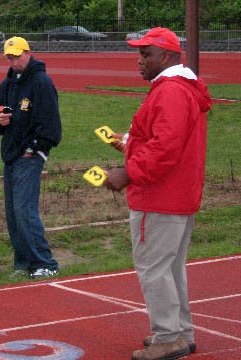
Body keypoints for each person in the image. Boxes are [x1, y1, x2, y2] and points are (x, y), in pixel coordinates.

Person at [103, 27, 212, 360]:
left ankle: (168, 336)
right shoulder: (180, 88)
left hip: (159, 197)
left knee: (153, 268)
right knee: (170, 268)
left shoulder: (170, 91)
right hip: (176, 194)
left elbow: (165, 148)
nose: (139, 61)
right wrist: (129, 143)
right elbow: (162, 141)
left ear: (166, 57)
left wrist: (128, 173)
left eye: (145, 54)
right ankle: (179, 332)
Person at [0, 37, 61, 279]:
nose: (14, 61)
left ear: (28, 53)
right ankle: (23, 263)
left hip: (29, 155)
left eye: (17, 56)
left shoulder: (41, 82)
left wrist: (35, 148)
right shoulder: (8, 84)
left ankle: (45, 262)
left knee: (24, 209)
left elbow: (51, 124)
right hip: (11, 153)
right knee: (13, 212)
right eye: (9, 57)